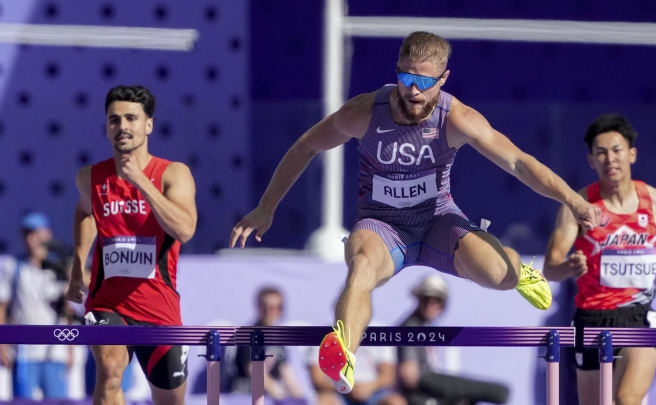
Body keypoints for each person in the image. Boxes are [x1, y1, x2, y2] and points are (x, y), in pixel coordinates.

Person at [229, 31, 601, 394]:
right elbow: (307, 145)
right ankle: (343, 353)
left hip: (438, 222)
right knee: (360, 265)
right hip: (382, 225)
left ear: (443, 78)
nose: (414, 90)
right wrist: (267, 206)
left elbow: (519, 162)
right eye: (406, 77)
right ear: (397, 72)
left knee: (499, 276)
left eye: (425, 81)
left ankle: (516, 265)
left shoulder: (457, 117)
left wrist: (572, 199)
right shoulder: (365, 112)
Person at [543, 114, 656, 405]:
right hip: (590, 319)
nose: (610, 159)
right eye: (601, 153)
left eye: (617, 150)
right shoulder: (578, 207)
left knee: (625, 399)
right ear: (591, 161)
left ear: (632, 154)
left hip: (638, 317)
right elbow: (551, 268)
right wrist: (569, 266)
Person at [65, 85, 197, 405]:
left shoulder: (172, 173)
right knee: (110, 372)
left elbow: (185, 229)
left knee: (170, 399)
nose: (122, 126)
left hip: (159, 307)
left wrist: (140, 181)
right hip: (107, 302)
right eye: (114, 119)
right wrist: (78, 262)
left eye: (131, 118)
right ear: (107, 126)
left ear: (148, 125)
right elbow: (85, 210)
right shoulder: (91, 177)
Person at [398, 275, 509, 405]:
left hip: (428, 390)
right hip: (419, 393)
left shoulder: (425, 327)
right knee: (498, 392)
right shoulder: (410, 327)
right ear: (419, 299)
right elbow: (410, 376)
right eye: (426, 299)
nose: (430, 304)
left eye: (437, 300)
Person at [0, 212, 72, 399]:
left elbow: (68, 311)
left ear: (47, 234)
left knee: (58, 400)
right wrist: (2, 345)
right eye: (28, 233)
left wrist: (70, 348)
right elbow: (2, 308)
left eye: (37, 233)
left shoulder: (61, 269)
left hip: (55, 351)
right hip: (24, 352)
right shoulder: (12, 266)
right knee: (22, 400)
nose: (33, 239)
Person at [233, 286, 305, 401]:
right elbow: (253, 371)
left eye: (273, 307)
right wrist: (282, 397)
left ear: (280, 310)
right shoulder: (247, 334)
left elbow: (286, 371)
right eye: (264, 307)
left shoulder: (277, 337)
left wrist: (300, 399)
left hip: (271, 397)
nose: (268, 312)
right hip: (246, 396)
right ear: (258, 307)